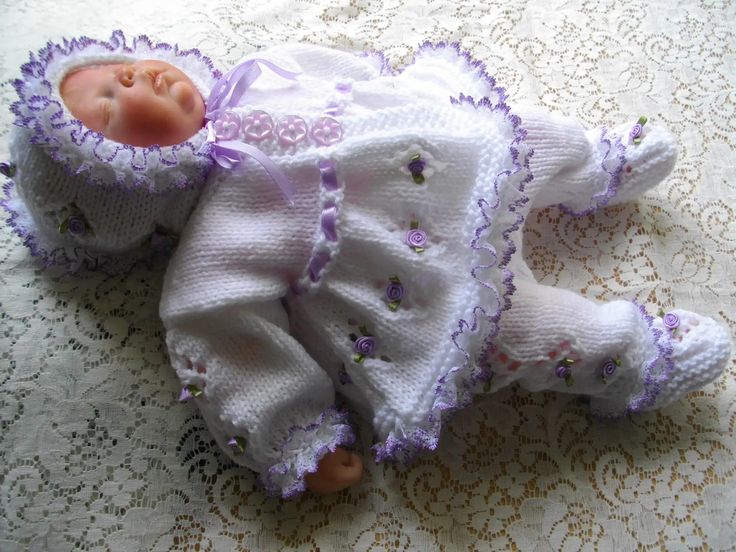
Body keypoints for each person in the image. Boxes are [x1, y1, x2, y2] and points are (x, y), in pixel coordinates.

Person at [2, 31, 730, 498]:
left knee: (517, 135)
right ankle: (632, 355)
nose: (136, 81)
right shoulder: (211, 256)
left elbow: (348, 75)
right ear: (125, 182)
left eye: (122, 68)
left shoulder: (261, 71)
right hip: (415, 292)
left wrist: (409, 83)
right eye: (109, 106)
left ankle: (593, 161)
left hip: (449, 158)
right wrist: (298, 439)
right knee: (519, 330)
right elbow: (226, 349)